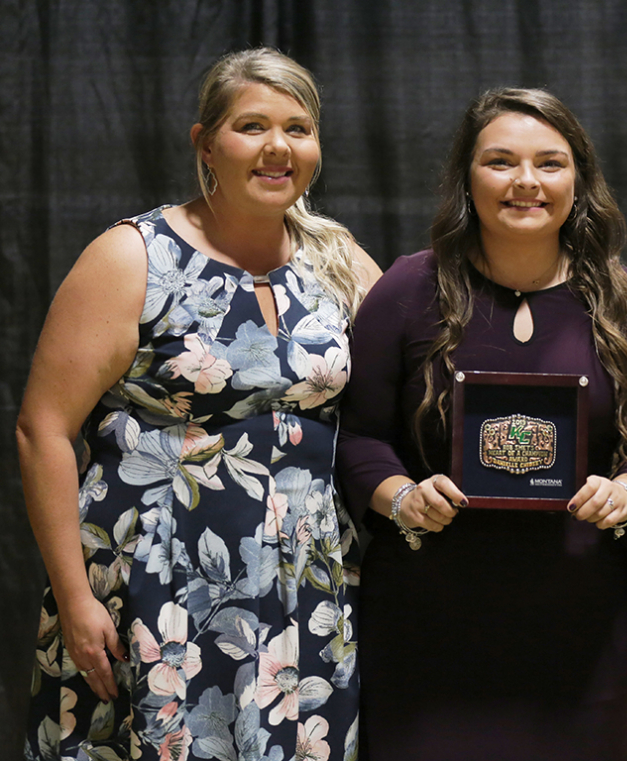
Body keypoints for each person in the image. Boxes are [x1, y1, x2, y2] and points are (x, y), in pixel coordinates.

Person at [17, 48, 382, 759]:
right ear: (205, 143)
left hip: (304, 577)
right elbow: (43, 430)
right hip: (157, 573)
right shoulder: (134, 256)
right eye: (252, 125)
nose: (278, 147)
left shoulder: (335, 258)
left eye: (298, 128)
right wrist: (74, 595)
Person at [336, 87, 627, 761]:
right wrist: (400, 497)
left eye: (549, 163)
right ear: (467, 176)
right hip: (427, 622)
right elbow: (358, 438)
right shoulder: (407, 291)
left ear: (578, 179)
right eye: (500, 162)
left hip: (575, 627)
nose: (525, 182)